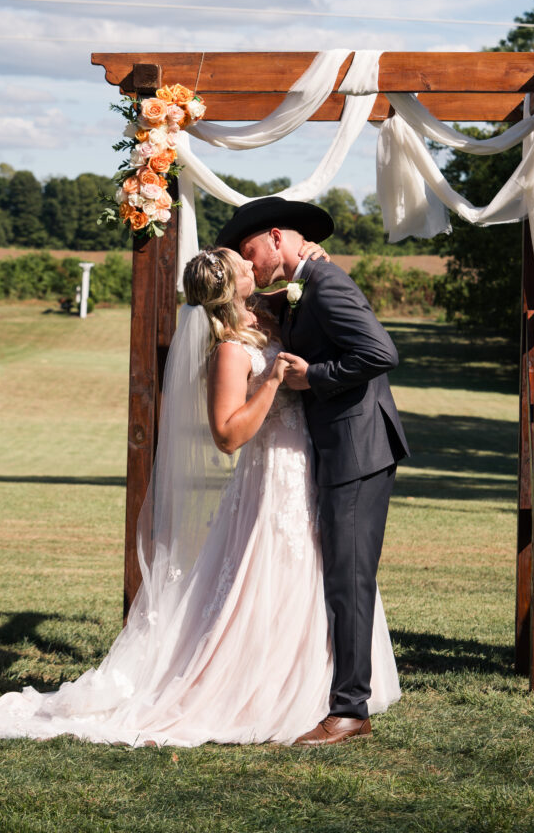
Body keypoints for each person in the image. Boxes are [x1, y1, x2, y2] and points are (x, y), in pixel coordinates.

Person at [0, 245, 400, 748]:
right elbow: (227, 435)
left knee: (311, 575)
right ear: (229, 287)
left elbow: (306, 298)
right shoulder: (230, 351)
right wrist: (273, 381)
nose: (251, 264)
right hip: (270, 476)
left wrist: (318, 265)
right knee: (269, 576)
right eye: (243, 265)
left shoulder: (266, 317)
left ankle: (310, 684)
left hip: (306, 467)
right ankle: (259, 690)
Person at [216, 197, 409, 746]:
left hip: (358, 447)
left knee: (348, 577)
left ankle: (350, 710)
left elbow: (380, 351)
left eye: (249, 250)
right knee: (341, 574)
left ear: (276, 236)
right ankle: (337, 693)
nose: (248, 265)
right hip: (340, 445)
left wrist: (313, 377)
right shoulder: (306, 281)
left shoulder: (325, 283)